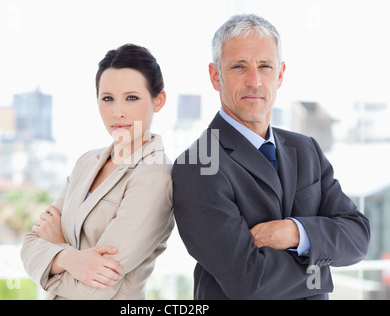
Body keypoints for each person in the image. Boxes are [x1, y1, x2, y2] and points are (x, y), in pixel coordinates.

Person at [172, 14, 370, 300]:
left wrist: (297, 233)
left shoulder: (306, 149)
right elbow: (249, 283)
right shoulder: (198, 164)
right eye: (239, 67)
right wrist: (322, 270)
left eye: (265, 66)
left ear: (280, 74)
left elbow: (358, 236)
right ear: (216, 76)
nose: (255, 81)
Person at [21, 44, 174, 300]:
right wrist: (70, 258)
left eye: (132, 98)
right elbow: (28, 246)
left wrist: (55, 250)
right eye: (108, 98)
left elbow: (96, 287)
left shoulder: (154, 176)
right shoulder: (86, 162)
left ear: (158, 101)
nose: (117, 112)